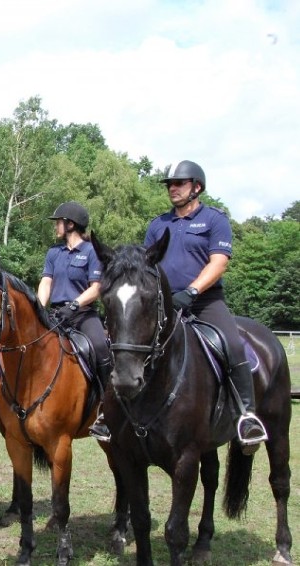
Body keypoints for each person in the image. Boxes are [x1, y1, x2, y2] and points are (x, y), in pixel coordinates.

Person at [145, 159, 268, 453]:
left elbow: (219, 262)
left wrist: (192, 290)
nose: (172, 189)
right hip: (165, 305)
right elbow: (146, 265)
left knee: (233, 346)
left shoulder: (214, 220)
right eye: (170, 184)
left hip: (205, 302)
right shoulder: (157, 224)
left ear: (196, 187)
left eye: (179, 183)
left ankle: (247, 416)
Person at [37, 201, 113, 441]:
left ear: (70, 224)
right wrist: (39, 309)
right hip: (56, 315)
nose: (55, 227)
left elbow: (97, 287)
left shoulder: (91, 252)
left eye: (58, 222)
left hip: (82, 314)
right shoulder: (53, 253)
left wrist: (74, 305)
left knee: (101, 347)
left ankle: (107, 410)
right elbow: (46, 283)